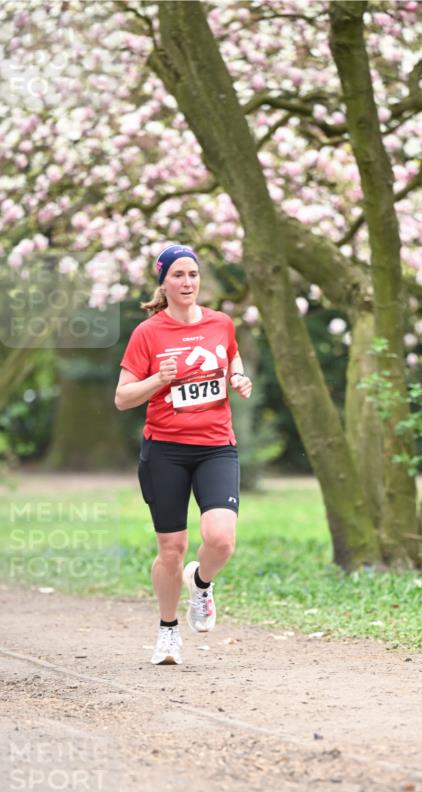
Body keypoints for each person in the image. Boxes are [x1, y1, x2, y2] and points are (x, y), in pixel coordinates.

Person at [115, 244, 252, 665]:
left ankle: (203, 583)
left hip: (216, 447)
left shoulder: (221, 323)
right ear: (164, 282)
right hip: (166, 452)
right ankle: (168, 631)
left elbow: (231, 356)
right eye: (178, 275)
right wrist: (158, 378)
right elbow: (122, 398)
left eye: (192, 274)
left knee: (221, 539)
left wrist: (239, 376)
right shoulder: (148, 333)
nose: (187, 282)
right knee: (171, 549)